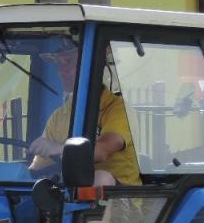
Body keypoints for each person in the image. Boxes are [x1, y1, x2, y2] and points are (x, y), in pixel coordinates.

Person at [27, 45, 141, 186]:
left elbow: (102, 150)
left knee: (100, 178)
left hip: (121, 196)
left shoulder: (117, 109)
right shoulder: (58, 117)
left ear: (93, 67)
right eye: (59, 64)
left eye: (68, 62)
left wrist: (58, 148)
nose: (61, 71)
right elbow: (38, 168)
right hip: (72, 194)